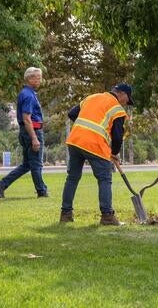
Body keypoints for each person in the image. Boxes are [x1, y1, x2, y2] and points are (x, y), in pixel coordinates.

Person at [59, 83, 133, 225]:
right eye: (127, 100)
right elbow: (117, 137)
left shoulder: (92, 97)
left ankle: (65, 214)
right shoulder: (117, 109)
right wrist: (115, 153)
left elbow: (72, 114)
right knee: (105, 178)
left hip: (75, 140)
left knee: (72, 178)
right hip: (94, 144)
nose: (126, 103)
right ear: (122, 94)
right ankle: (107, 216)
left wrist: (86, 128)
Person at [0, 67, 49, 199]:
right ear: (30, 79)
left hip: (25, 132)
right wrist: (34, 138)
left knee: (27, 164)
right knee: (36, 164)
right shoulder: (28, 95)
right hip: (32, 131)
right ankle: (41, 191)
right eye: (37, 78)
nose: (40, 80)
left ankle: (1, 185)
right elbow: (27, 118)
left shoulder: (26, 93)